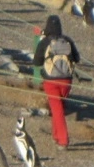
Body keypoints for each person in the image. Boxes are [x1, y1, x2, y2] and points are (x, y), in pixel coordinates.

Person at [32, 15, 79, 148]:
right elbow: (77, 58)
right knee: (58, 108)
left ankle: (63, 141)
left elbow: (36, 62)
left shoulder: (45, 42)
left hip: (51, 81)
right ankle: (56, 135)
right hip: (67, 81)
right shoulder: (67, 40)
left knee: (57, 110)